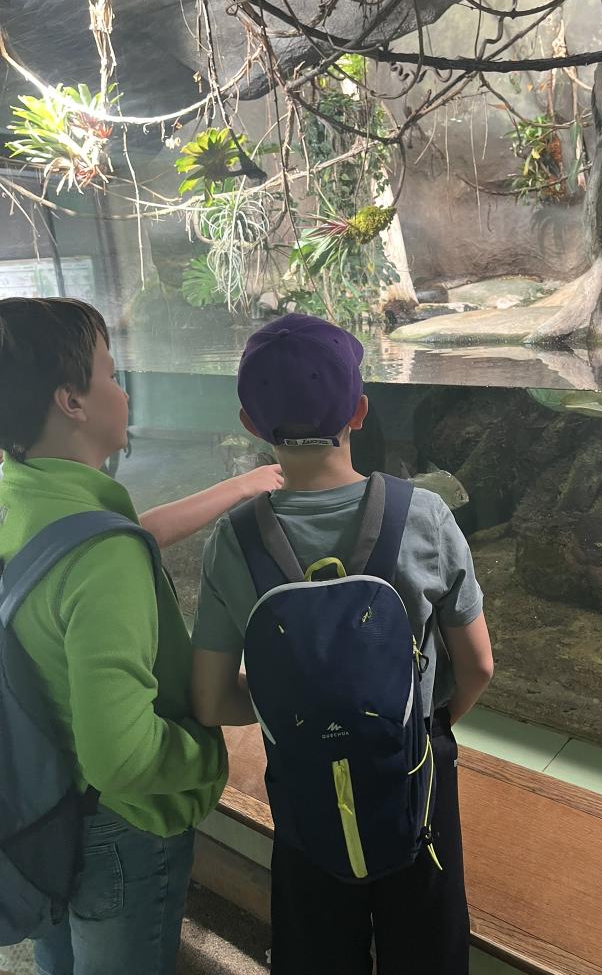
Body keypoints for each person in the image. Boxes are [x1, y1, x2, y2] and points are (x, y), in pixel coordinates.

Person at [191, 313, 494, 975]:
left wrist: (300, 712)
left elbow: (211, 701)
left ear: (251, 424)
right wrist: (418, 723)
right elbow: (477, 665)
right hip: (416, 783)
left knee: (315, 951)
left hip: (305, 797)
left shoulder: (232, 543)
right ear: (360, 410)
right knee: (428, 950)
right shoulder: (425, 516)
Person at [0, 296, 282, 975]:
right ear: (72, 401)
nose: (123, 389)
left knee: (59, 956)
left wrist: (239, 486)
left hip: (43, 803)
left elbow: (112, 539)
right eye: (111, 373)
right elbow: (122, 759)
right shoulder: (104, 560)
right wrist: (207, 758)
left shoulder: (25, 494)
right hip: (118, 829)